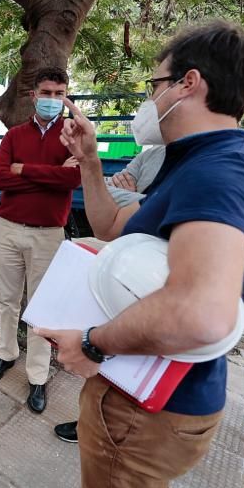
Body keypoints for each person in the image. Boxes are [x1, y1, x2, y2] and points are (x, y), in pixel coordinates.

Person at [37, 20, 244, 488]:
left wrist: (91, 343)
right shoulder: (196, 164)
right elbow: (112, 226)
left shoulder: (220, 173)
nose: (150, 100)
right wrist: (89, 161)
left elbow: (201, 315)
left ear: (188, 83)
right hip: (143, 390)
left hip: (150, 406)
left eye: (155, 85)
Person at [0, 67, 81, 414]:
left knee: (41, 308)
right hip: (8, 228)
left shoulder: (72, 135)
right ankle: (6, 354)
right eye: (47, 93)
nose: (52, 99)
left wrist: (23, 170)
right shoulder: (14, 136)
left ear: (66, 95)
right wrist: (50, 176)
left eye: (59, 93)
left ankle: (38, 376)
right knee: (8, 301)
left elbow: (72, 180)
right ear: (33, 95)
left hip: (47, 234)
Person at [54, 144, 165, 444]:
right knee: (107, 370)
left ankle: (115, 435)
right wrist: (141, 201)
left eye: (154, 94)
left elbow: (128, 210)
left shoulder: (211, 168)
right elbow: (109, 217)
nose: (151, 104)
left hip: (155, 290)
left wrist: (139, 201)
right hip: (124, 272)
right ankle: (89, 424)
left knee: (137, 368)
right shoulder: (153, 154)